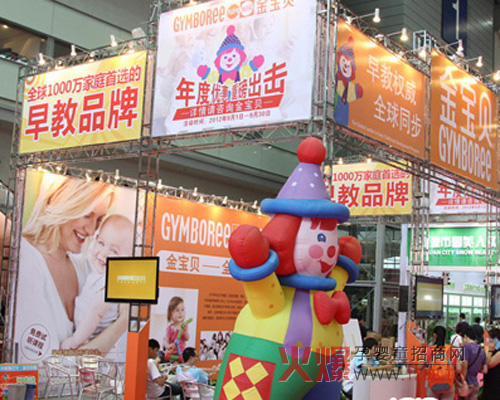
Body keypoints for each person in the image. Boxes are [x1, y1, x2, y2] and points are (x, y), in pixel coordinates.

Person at [14, 174, 127, 362]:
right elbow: (48, 366)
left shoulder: (83, 267)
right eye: (87, 215)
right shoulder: (27, 260)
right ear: (63, 202)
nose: (91, 230)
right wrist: (123, 322)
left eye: (99, 220)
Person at [61, 215, 134, 349]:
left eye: (114, 251)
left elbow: (97, 311)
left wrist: (75, 340)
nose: (104, 252)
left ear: (127, 259)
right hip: (85, 334)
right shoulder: (98, 273)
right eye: (101, 243)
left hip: (90, 338)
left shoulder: (112, 282)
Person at [425, 326, 455, 400]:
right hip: (448, 384)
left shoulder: (429, 349)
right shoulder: (452, 349)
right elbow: (459, 368)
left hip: (433, 384)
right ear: (445, 336)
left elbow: (419, 366)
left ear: (434, 335)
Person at [457, 327, 487, 400]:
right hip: (475, 384)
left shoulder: (466, 347)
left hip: (466, 383)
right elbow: (485, 370)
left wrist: (462, 381)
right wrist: (476, 368)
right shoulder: (482, 350)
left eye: (462, 338)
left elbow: (465, 366)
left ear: (466, 336)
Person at [482, 328, 500, 400]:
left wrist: (489, 351)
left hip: (496, 382)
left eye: (490, 340)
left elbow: (489, 364)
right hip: (489, 380)